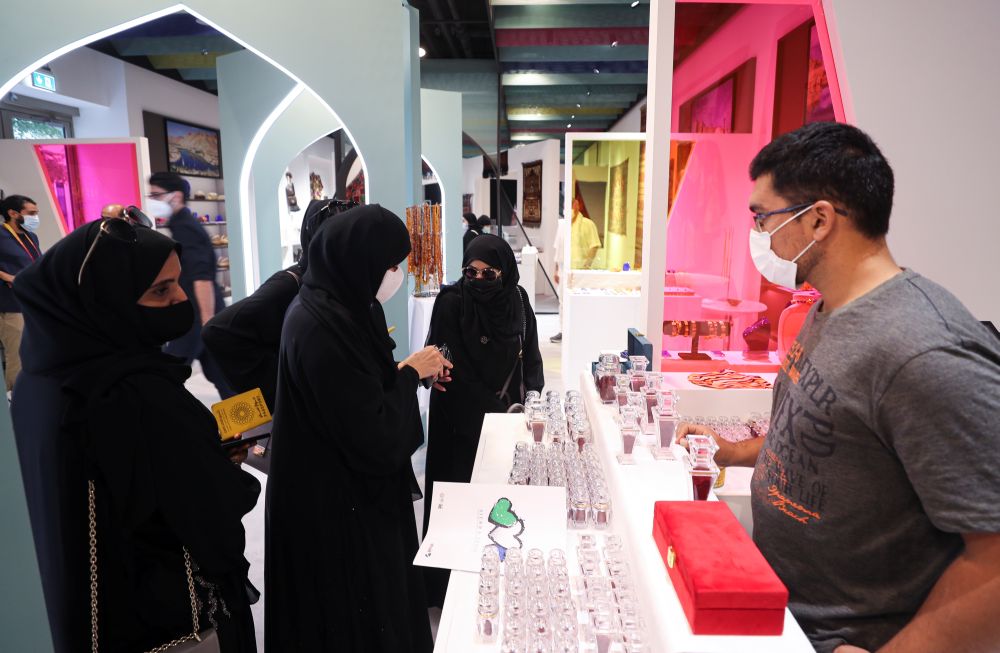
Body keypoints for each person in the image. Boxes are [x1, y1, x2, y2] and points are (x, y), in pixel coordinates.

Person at [676, 122, 1000, 653]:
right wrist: (732, 452)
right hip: (783, 617)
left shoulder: (924, 347)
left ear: (819, 220)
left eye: (763, 217)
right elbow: (823, 435)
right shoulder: (828, 308)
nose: (759, 234)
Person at [11, 219, 260, 653]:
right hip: (165, 612)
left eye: (178, 282)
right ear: (106, 300)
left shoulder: (42, 379)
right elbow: (210, 509)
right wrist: (227, 468)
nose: (180, 298)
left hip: (89, 608)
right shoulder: (137, 391)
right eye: (160, 290)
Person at [265, 204, 449, 652]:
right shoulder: (318, 326)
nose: (395, 275)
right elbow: (373, 433)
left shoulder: (347, 307)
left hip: (348, 493)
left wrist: (409, 372)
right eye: (391, 265)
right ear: (359, 261)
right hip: (335, 507)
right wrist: (409, 374)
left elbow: (362, 387)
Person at [421, 234, 544, 606]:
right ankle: (449, 592)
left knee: (501, 503)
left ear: (504, 272)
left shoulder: (518, 301)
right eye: (470, 272)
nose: (478, 279)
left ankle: (500, 582)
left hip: (506, 421)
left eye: (488, 273)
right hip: (459, 421)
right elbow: (448, 369)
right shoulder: (452, 303)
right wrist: (493, 409)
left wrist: (533, 400)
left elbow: (532, 358)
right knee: (460, 507)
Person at [202, 198, 347, 472]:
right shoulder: (289, 284)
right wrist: (281, 383)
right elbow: (217, 332)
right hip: (292, 424)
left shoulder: (330, 283)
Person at [146, 171, 233, 398]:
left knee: (167, 375)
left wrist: (207, 322)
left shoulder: (186, 228)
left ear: (175, 196)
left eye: (156, 195)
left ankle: (159, 415)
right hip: (200, 315)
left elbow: (201, 277)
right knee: (223, 375)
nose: (152, 201)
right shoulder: (181, 225)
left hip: (196, 317)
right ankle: (248, 418)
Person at [0, 194, 42, 391]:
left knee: (34, 352)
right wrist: (8, 277)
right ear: (13, 213)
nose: (35, 218)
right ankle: (15, 396)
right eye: (31, 213)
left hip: (31, 302)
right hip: (10, 305)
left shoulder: (31, 237)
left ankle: (31, 393)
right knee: (17, 353)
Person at [570, 196, 600, 269]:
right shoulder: (564, 226)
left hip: (584, 269)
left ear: (577, 207)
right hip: (568, 268)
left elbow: (594, 246)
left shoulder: (588, 224)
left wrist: (586, 266)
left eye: (572, 207)